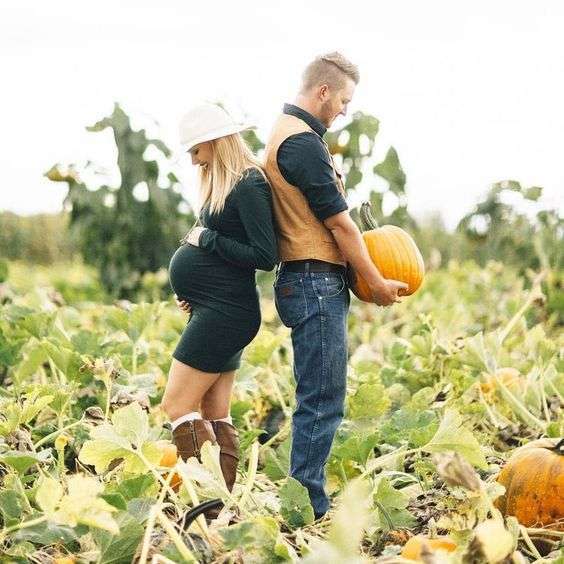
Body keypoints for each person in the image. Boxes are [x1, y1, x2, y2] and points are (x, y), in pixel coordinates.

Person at [264, 52, 407, 520]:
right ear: (323, 91)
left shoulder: (287, 133)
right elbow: (342, 227)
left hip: (305, 281)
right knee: (323, 399)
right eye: (344, 99)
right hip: (313, 282)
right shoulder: (303, 143)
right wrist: (376, 281)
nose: (345, 109)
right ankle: (306, 508)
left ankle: (304, 501)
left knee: (317, 395)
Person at [162, 103, 278, 497]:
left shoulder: (249, 184)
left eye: (196, 150)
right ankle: (219, 507)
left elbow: (266, 255)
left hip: (227, 314)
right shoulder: (228, 184)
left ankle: (203, 501)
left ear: (214, 142)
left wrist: (206, 240)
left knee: (176, 406)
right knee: (215, 413)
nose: (194, 161)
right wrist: (195, 291)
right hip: (217, 309)